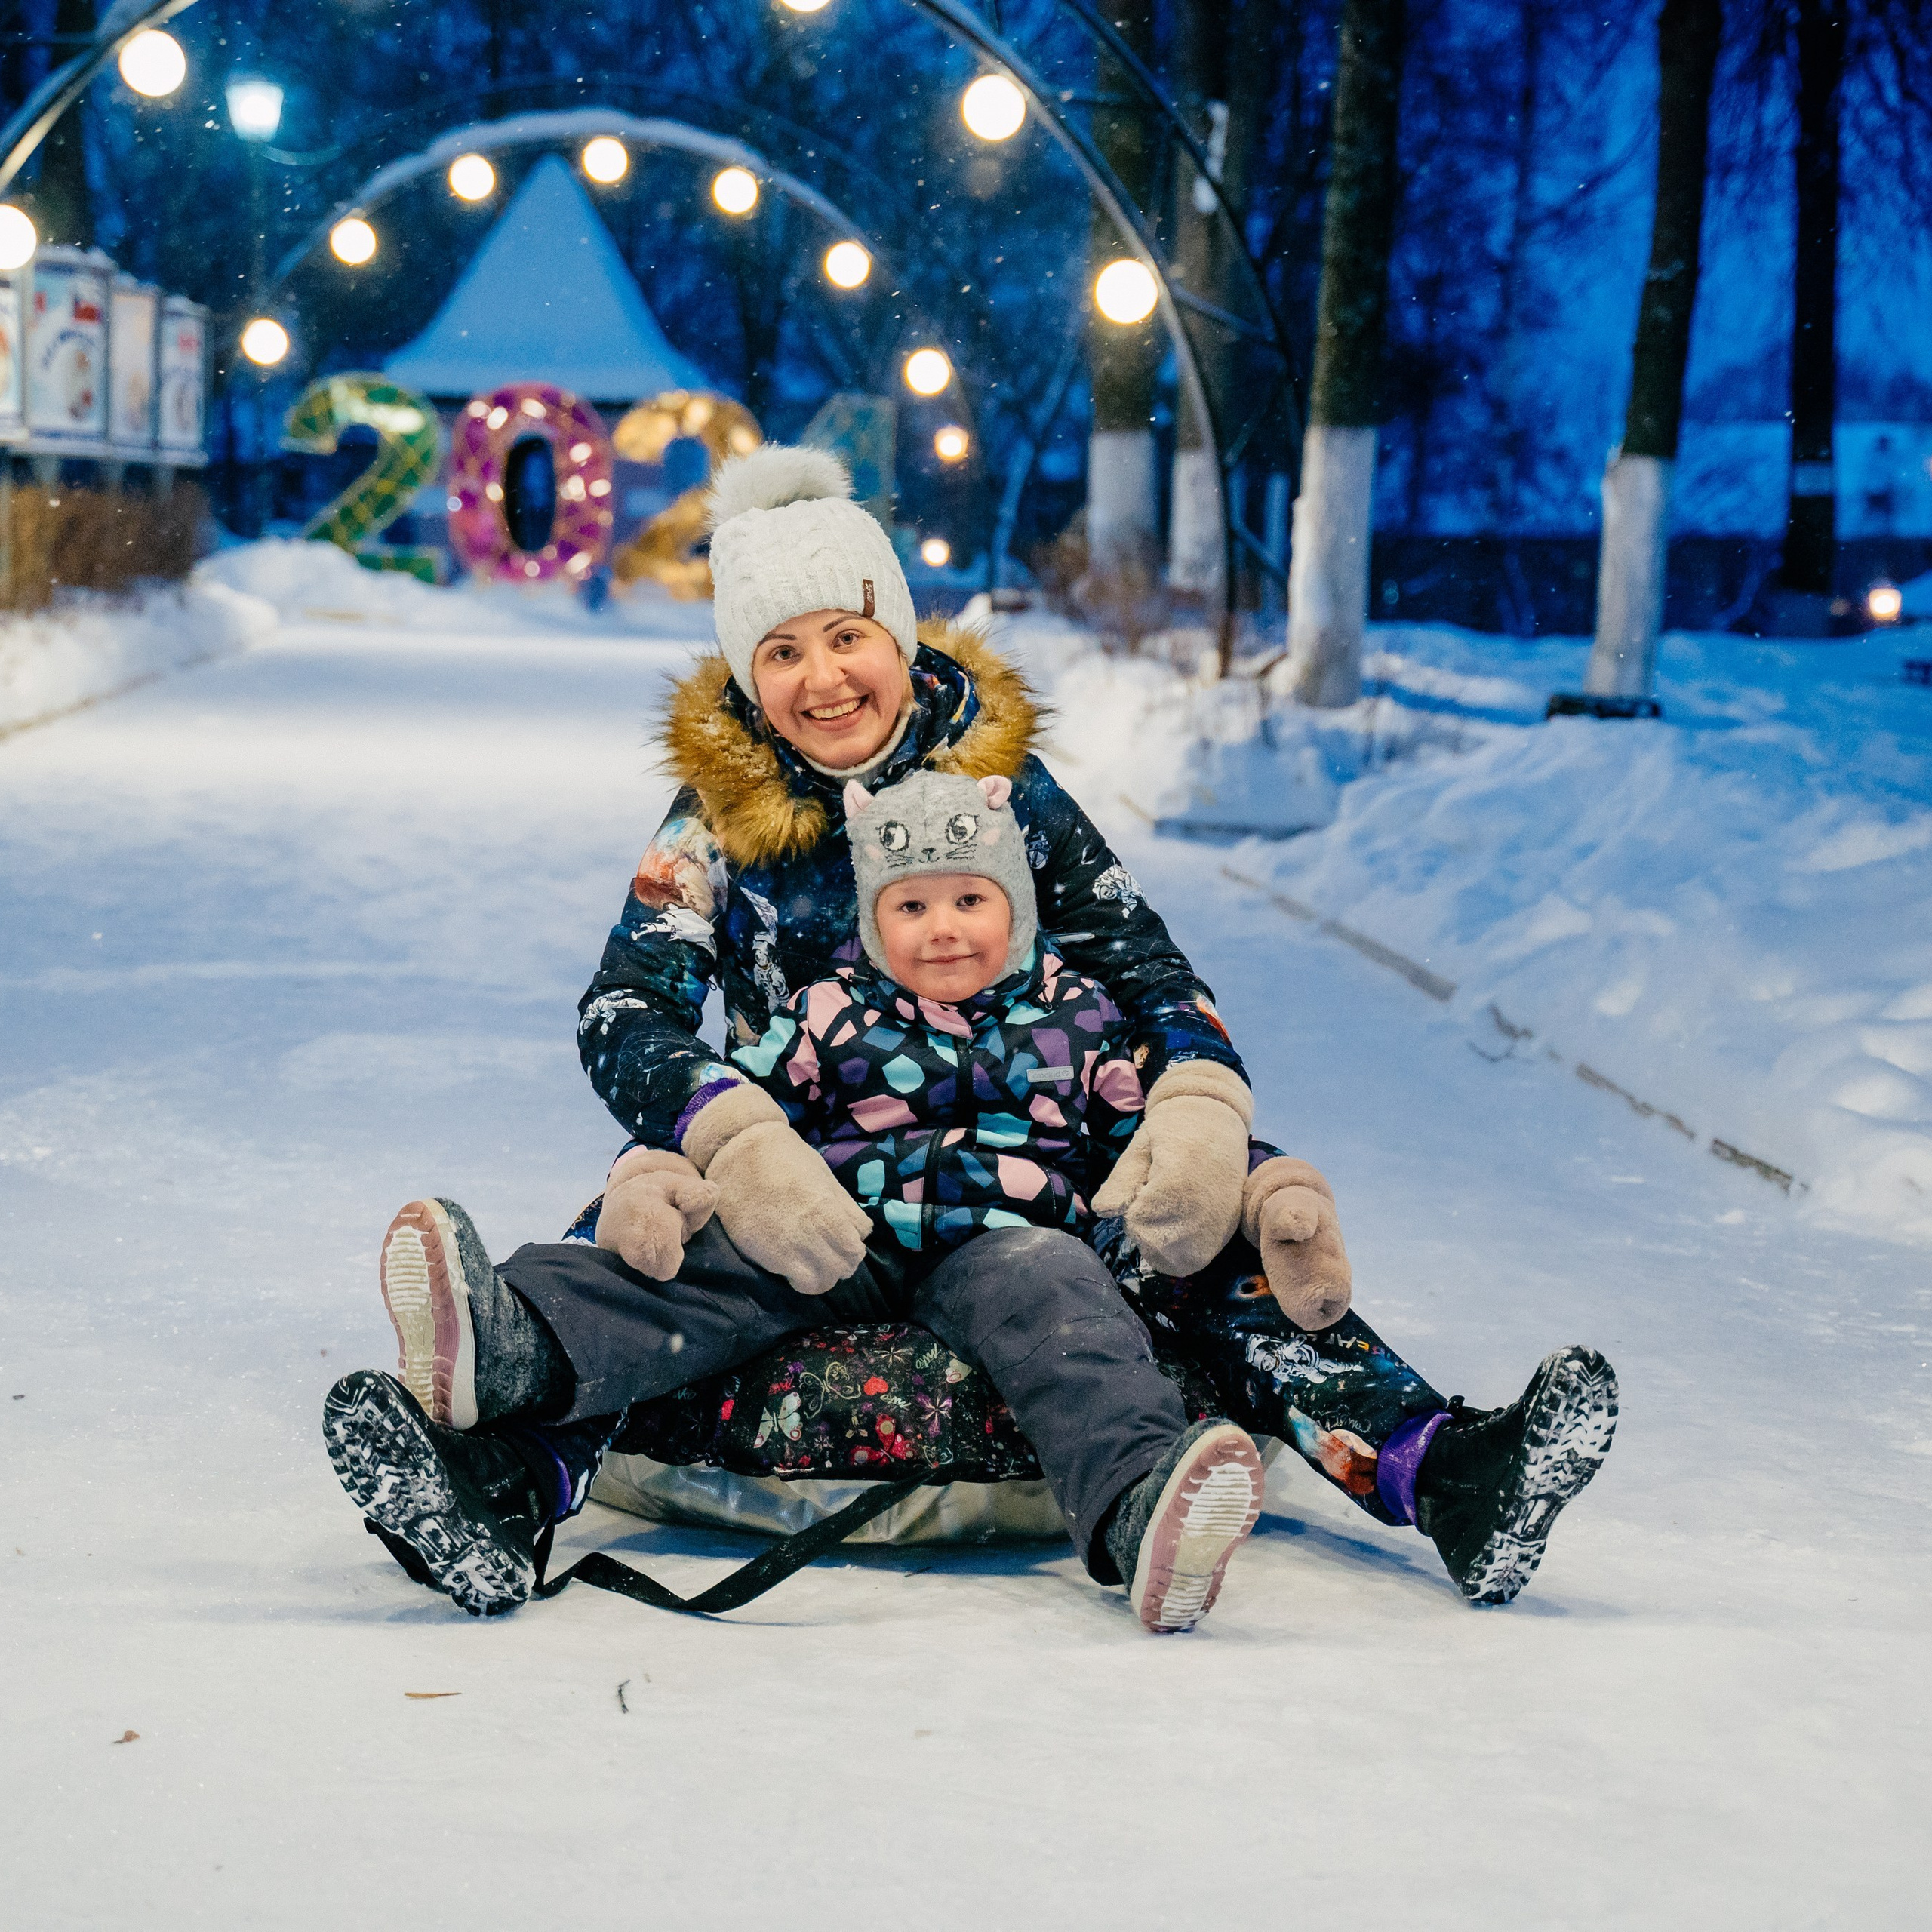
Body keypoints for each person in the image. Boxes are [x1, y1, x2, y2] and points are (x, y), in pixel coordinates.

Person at [322, 444, 1618, 1620]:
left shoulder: (1005, 781)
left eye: (846, 637)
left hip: (1032, 1125)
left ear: (898, 631)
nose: (823, 678)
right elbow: (629, 1006)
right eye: (781, 653)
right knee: (662, 1259)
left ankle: (1445, 1472)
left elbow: (1140, 960)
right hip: (802, 1144)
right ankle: (499, 1445)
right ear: (743, 674)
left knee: (1209, 1241)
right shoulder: (714, 815)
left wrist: (1200, 1105)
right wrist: (731, 1135)